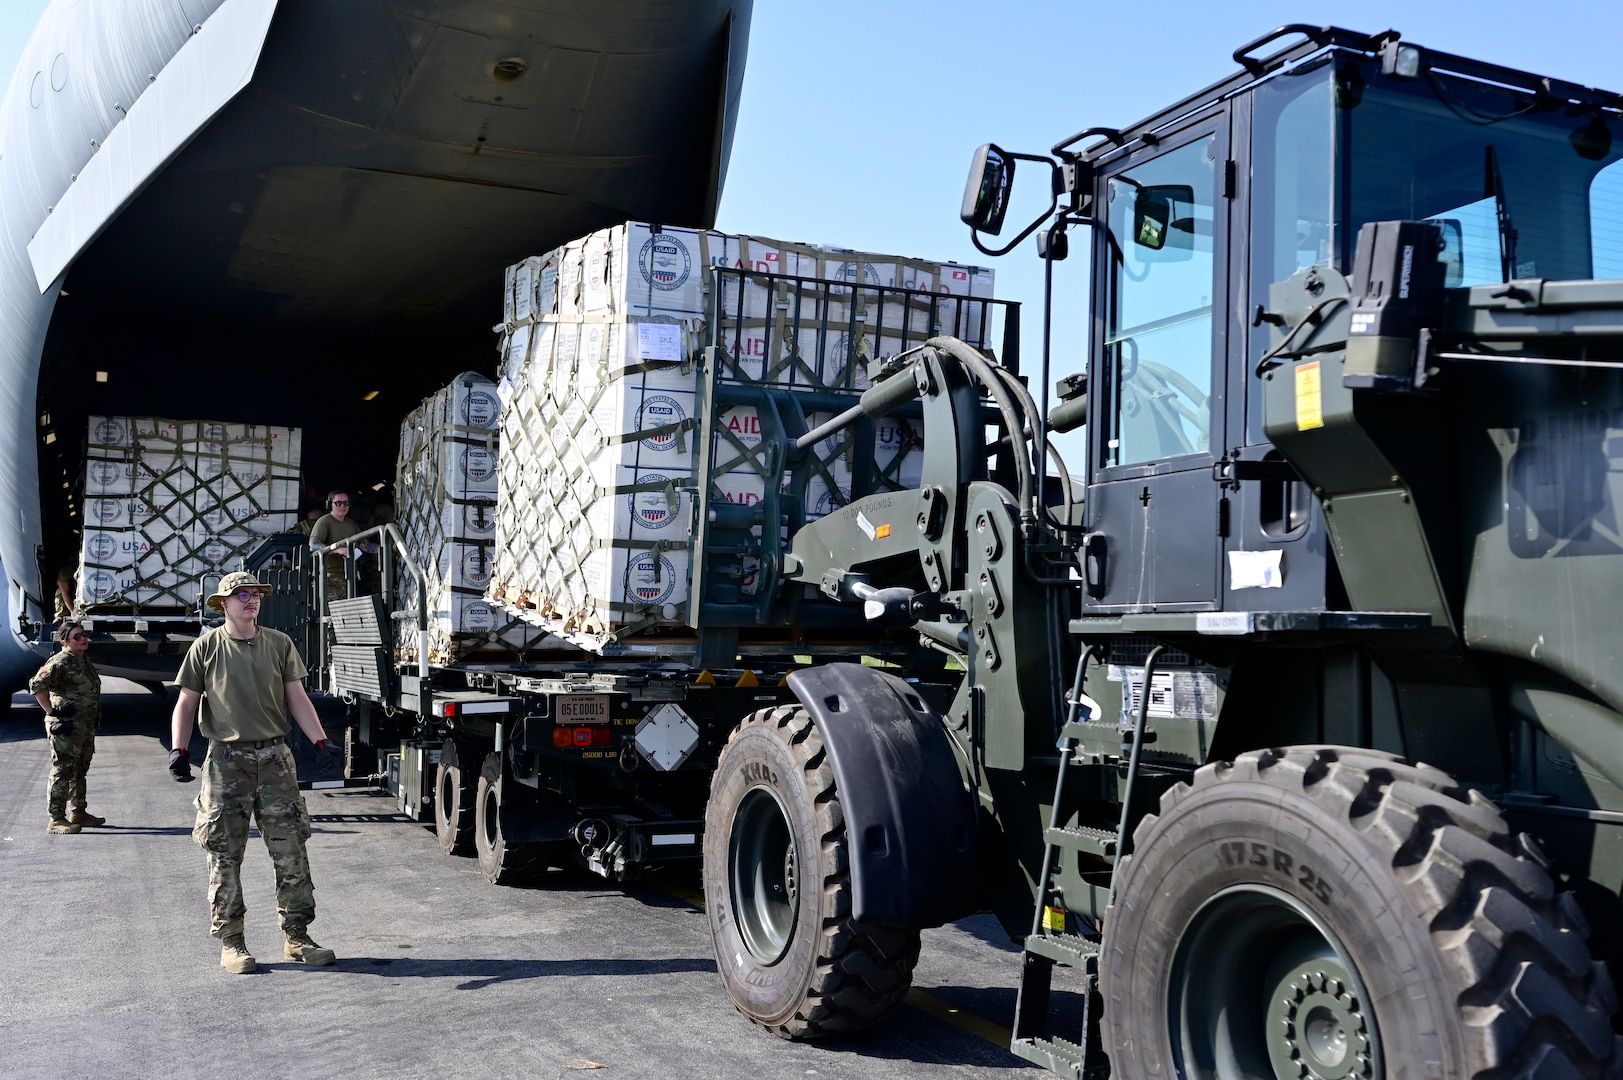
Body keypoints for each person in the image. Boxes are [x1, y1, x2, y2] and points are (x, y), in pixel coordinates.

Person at [166, 571, 342, 974]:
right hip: (226, 762)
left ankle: (297, 938)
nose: (251, 600)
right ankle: (233, 943)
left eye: (256, 594)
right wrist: (178, 749)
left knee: (291, 848)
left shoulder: (279, 644)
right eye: (240, 594)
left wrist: (321, 741)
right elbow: (187, 703)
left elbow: (297, 698)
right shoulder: (206, 647)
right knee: (224, 855)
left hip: (276, 759)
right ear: (222, 604)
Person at [29, 620, 103, 834]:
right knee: (63, 770)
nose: (83, 639)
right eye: (77, 636)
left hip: (84, 725)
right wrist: (52, 712)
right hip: (66, 726)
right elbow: (37, 685)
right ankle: (56, 818)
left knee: (80, 768)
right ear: (65, 641)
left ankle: (78, 811)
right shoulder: (61, 661)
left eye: (84, 635)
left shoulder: (82, 660)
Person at [308, 489, 361, 605]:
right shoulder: (324, 521)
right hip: (329, 577)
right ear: (329, 504)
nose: (342, 506)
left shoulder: (351, 524)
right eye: (338, 503)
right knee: (331, 616)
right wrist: (337, 550)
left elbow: (364, 544)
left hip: (348, 576)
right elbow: (313, 544)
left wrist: (389, 547)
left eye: (346, 503)